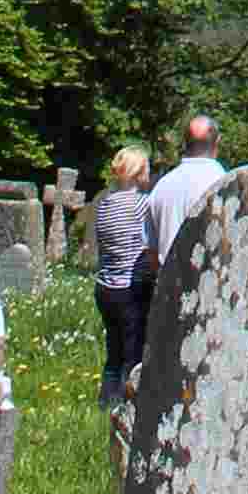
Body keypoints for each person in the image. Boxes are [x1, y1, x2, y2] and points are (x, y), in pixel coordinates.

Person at [89, 146, 154, 404]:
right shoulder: (142, 204)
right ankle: (126, 408)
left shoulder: (105, 204)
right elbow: (149, 243)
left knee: (113, 353)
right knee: (133, 354)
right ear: (139, 172)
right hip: (130, 287)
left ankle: (105, 402)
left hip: (105, 286)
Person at [141, 110, 226, 273]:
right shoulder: (225, 184)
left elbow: (151, 252)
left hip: (169, 283)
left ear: (185, 142)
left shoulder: (161, 187)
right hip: (210, 283)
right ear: (218, 141)